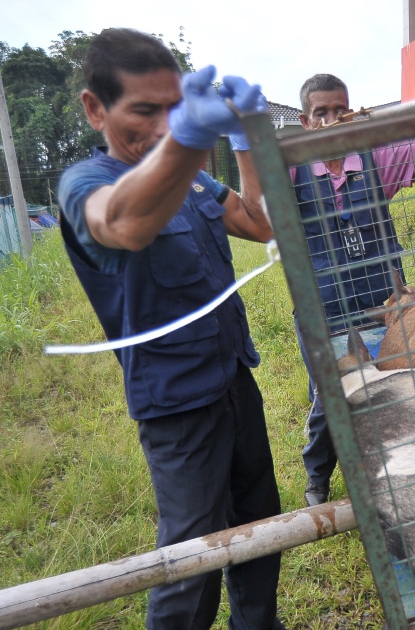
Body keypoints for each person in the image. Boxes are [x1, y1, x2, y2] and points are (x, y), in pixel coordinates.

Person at [56, 28, 284, 630]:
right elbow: (126, 225)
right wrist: (186, 137)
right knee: (191, 562)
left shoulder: (196, 180)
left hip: (235, 379)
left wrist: (244, 141)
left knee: (261, 528)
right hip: (177, 407)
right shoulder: (86, 185)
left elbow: (260, 224)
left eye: (174, 108)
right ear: (94, 108)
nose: (162, 126)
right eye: (144, 110)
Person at [292, 67, 415, 507]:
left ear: (353, 113)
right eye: (320, 113)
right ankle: (318, 476)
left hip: (385, 305)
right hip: (325, 312)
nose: (332, 122)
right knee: (329, 400)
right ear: (304, 121)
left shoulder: (372, 159)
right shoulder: (291, 174)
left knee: (398, 386)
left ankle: (405, 471)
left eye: (340, 111)